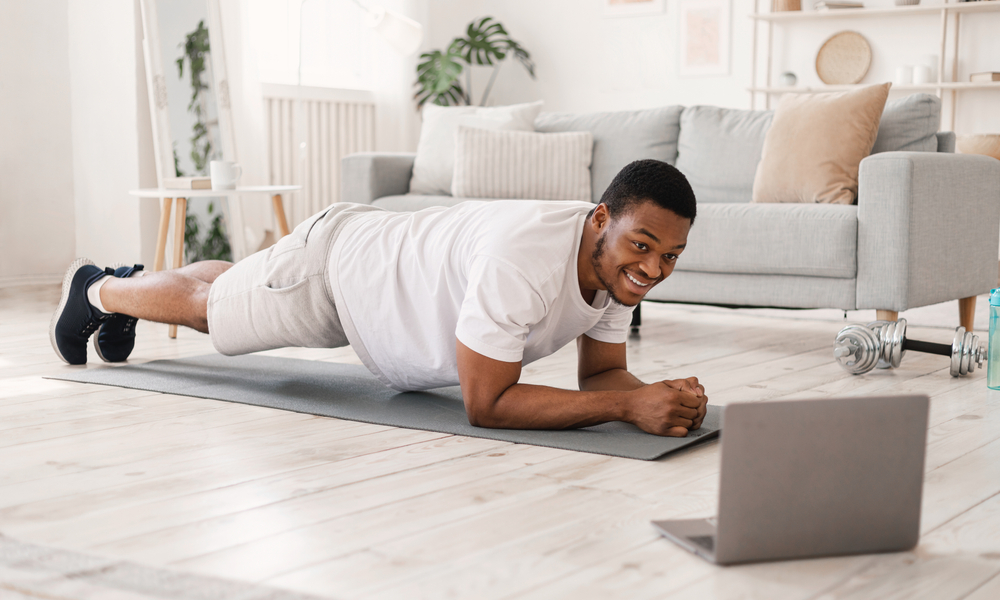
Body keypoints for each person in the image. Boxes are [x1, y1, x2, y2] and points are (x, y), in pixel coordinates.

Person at [50, 159, 707, 437]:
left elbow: (601, 373)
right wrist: (627, 405)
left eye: (670, 255)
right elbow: (486, 402)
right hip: (340, 275)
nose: (653, 268)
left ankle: (127, 290)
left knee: (228, 288)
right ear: (600, 219)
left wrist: (654, 395)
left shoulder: (617, 269)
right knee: (209, 310)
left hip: (376, 280)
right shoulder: (526, 259)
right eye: (643, 246)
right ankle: (98, 288)